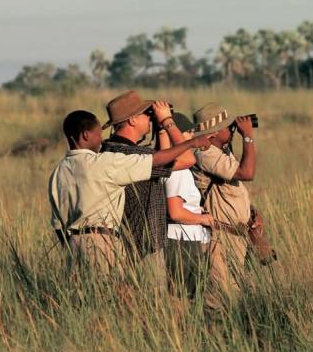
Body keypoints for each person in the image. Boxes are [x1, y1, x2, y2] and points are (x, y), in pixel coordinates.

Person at [48, 109, 212, 275]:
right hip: (102, 241)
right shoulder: (103, 162)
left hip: (73, 244)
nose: (101, 140)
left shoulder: (58, 171)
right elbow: (159, 160)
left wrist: (72, 246)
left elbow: (58, 224)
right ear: (86, 135)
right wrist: (188, 141)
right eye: (98, 134)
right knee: (108, 296)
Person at [100, 91, 196, 287]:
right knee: (151, 307)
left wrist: (160, 130)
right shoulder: (133, 154)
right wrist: (168, 121)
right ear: (133, 120)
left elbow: (160, 156)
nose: (150, 118)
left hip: (118, 244)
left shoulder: (109, 150)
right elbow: (187, 159)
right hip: (144, 244)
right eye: (147, 114)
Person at [191, 102, 263, 314]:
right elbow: (247, 173)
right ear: (212, 133)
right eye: (227, 126)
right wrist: (248, 137)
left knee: (237, 293)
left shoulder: (220, 150)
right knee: (220, 299)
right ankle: (214, 340)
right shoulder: (205, 153)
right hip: (222, 237)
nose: (232, 128)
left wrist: (252, 213)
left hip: (237, 235)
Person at [158, 113, 215, 299]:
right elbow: (175, 212)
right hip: (183, 241)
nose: (192, 136)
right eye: (188, 132)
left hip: (186, 239)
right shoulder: (177, 171)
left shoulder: (177, 167)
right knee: (183, 298)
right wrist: (203, 219)